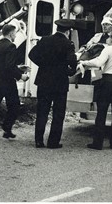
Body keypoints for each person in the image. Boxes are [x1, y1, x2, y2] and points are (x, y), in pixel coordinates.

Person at [28, 19, 77, 149]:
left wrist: (44, 65)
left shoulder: (44, 40)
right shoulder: (68, 44)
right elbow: (72, 62)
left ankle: (38, 141)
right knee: (58, 113)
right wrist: (69, 71)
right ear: (68, 31)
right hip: (60, 83)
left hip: (43, 81)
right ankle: (53, 142)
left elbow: (32, 54)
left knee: (42, 111)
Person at [78, 31, 112, 150]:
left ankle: (98, 143)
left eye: (108, 39)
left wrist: (84, 62)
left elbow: (98, 62)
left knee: (102, 112)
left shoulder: (108, 49)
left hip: (109, 81)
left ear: (111, 40)